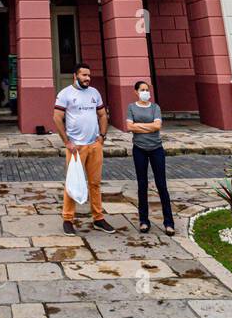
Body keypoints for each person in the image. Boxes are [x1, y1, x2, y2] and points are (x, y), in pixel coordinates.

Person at [53, 64, 115, 235]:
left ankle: (98, 218)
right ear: (75, 75)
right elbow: (57, 118)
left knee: (95, 183)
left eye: (89, 75)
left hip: (94, 145)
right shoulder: (65, 94)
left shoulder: (94, 93)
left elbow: (102, 114)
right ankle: (68, 219)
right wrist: (67, 142)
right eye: (84, 75)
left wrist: (102, 136)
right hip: (76, 147)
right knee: (72, 182)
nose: (87, 78)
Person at [126, 81, 175, 235]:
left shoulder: (155, 107)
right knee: (142, 185)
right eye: (142, 90)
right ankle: (144, 221)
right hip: (139, 149)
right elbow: (129, 127)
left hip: (157, 149)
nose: (145, 92)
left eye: (147, 90)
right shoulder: (131, 107)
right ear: (136, 92)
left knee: (162, 185)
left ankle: (169, 222)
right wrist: (149, 126)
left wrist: (139, 126)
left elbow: (157, 126)